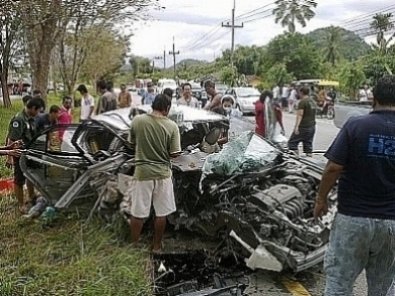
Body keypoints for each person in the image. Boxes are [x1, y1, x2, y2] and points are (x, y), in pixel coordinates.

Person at [314, 75, 395, 296]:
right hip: (391, 225)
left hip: (353, 220)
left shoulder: (356, 125)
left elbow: (333, 168)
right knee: (382, 287)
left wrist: (321, 199)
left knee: (339, 284)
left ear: (373, 98)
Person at [127, 94, 181, 251]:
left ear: (153, 105)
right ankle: (156, 245)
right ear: (167, 109)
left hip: (142, 173)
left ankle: (134, 245)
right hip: (163, 174)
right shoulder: (172, 126)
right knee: (161, 213)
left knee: (137, 212)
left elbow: (130, 143)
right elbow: (175, 153)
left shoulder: (138, 121)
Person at [8, 98, 43, 213]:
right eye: (37, 111)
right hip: (19, 154)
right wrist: (10, 156)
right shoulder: (19, 119)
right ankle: (21, 204)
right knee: (19, 179)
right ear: (33, 108)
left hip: (29, 153)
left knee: (30, 175)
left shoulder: (30, 119)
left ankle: (32, 196)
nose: (38, 114)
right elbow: (12, 139)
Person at [288, 86, 316, 156]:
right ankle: (310, 159)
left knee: (292, 143)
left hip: (304, 126)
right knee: (308, 145)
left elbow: (300, 115)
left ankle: (295, 158)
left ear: (301, 93)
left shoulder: (302, 102)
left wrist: (296, 127)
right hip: (312, 126)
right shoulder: (312, 101)